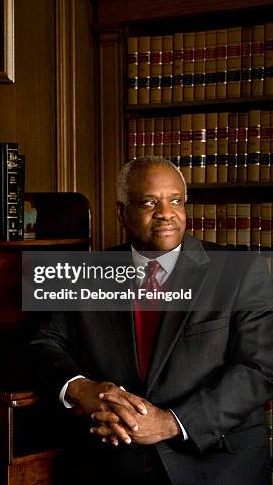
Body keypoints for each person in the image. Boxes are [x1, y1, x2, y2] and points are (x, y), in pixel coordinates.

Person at [29, 156, 273, 484]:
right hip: (112, 464)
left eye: (175, 200)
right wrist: (82, 389)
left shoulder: (238, 269)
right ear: (121, 213)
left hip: (215, 466)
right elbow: (44, 345)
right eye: (149, 202)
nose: (165, 213)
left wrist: (171, 423)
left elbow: (259, 370)